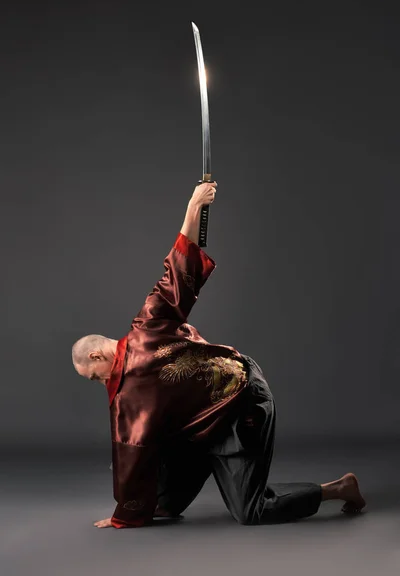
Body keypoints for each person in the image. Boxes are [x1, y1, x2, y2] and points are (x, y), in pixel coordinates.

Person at [71, 181, 366, 529]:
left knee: (252, 511)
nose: (102, 382)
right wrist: (130, 511)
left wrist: (194, 206)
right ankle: (201, 472)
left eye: (96, 376)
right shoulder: (136, 355)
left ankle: (338, 489)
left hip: (242, 401)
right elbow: (135, 449)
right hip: (203, 422)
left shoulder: (145, 333)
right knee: (163, 500)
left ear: (95, 356)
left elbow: (178, 272)